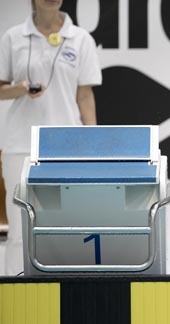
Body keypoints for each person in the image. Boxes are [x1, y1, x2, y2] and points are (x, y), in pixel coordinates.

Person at [0, 0, 102, 275]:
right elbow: (0, 89)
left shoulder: (80, 38)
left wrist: (93, 145)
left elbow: (85, 95)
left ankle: (66, 288)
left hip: (67, 148)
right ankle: (16, 291)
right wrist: (21, 89)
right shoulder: (13, 37)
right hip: (21, 145)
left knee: (68, 225)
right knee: (20, 229)